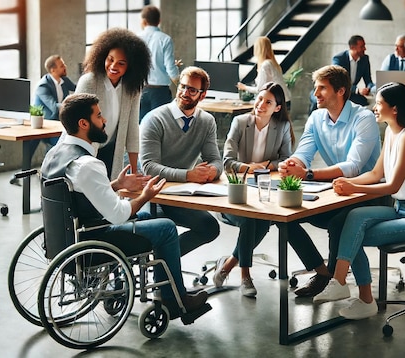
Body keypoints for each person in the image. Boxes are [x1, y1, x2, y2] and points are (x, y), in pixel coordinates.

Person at [41, 93, 209, 319]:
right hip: (97, 238)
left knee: (148, 220)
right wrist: (145, 196)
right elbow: (119, 216)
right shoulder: (88, 164)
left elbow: (78, 193)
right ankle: (175, 299)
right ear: (83, 124)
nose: (105, 121)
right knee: (167, 227)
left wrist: (116, 184)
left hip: (66, 237)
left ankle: (129, 282)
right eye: (99, 116)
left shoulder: (55, 155)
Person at [311, 82, 405, 320]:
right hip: (402, 209)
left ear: (395, 108)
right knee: (352, 219)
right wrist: (340, 182)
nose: (374, 108)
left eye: (379, 103)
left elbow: (393, 186)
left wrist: (353, 187)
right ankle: (353, 291)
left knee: (352, 234)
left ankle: (349, 288)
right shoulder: (391, 132)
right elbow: (374, 175)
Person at [278, 65, 381, 297]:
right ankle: (322, 272)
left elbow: (353, 167)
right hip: (337, 192)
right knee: (285, 216)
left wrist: (309, 175)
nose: (316, 94)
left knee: (338, 222)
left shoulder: (363, 118)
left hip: (370, 194)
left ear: (341, 91)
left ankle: (337, 282)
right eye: (316, 88)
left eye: (322, 88)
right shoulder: (316, 118)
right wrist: (292, 164)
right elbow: (303, 154)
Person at [214, 82, 295, 297]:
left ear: (277, 108)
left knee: (265, 220)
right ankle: (245, 275)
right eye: (259, 99)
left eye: (268, 102)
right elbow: (227, 161)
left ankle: (228, 264)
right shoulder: (240, 122)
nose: (260, 104)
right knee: (251, 219)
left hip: (265, 191)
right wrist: (248, 168)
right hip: (235, 192)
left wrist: (267, 166)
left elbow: (287, 159)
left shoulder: (282, 127)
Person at [140, 66, 222, 256]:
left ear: (202, 95)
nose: (185, 93)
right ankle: (164, 276)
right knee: (164, 228)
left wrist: (212, 171)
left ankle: (163, 263)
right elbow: (149, 168)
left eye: (192, 90)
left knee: (209, 227)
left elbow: (216, 160)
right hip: (151, 194)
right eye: (182, 87)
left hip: (180, 194)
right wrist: (189, 175)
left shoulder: (207, 121)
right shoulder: (154, 119)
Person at [75, 28, 150, 179]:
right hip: (83, 150)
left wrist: (134, 172)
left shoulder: (133, 88)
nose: (113, 66)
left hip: (111, 149)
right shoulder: (89, 82)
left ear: (131, 67)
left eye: (121, 63)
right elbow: (76, 125)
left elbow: (132, 129)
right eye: (110, 59)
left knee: (111, 194)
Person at [10, 55, 77, 185]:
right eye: (62, 65)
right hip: (39, 125)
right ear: (53, 70)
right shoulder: (43, 86)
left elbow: (77, 88)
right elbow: (53, 106)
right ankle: (20, 176)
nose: (65, 67)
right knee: (29, 153)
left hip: (55, 124)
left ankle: (49, 173)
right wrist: (72, 104)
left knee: (60, 146)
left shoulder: (64, 80)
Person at [308, 35, 375, 113]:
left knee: (363, 102)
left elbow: (368, 80)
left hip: (350, 93)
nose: (365, 49)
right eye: (362, 46)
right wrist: (357, 90)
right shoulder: (339, 58)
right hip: (337, 90)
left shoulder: (365, 59)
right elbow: (338, 81)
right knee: (317, 101)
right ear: (353, 47)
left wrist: (371, 88)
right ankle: (313, 120)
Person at [138, 5, 182, 122]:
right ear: (159, 21)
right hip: (160, 92)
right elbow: (170, 68)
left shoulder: (137, 38)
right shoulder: (165, 39)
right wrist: (180, 85)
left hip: (140, 90)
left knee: (141, 127)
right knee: (161, 126)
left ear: (143, 21)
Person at [236, 36, 292, 109]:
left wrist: (244, 87)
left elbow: (260, 88)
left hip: (277, 102)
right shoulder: (273, 63)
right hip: (285, 99)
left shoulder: (265, 65)